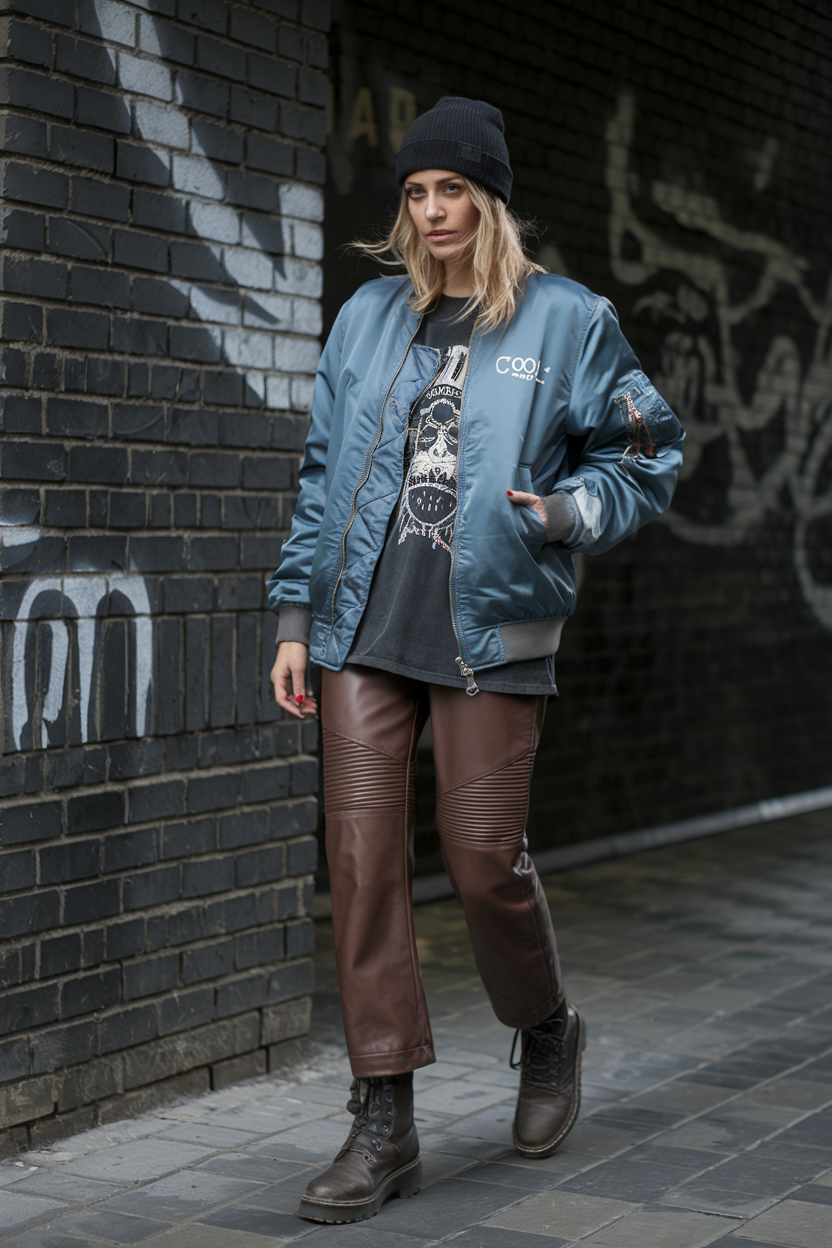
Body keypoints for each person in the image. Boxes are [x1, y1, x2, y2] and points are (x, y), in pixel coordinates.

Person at [267, 96, 684, 1224]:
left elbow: (650, 454)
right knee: (359, 861)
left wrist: (564, 513)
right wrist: (295, 618)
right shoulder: (364, 317)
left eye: (454, 190)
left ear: (490, 200)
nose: (434, 210)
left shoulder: (567, 321)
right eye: (416, 192)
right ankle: (383, 1111)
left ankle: (545, 1031)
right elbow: (319, 478)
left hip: (491, 632)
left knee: (482, 855)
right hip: (362, 631)